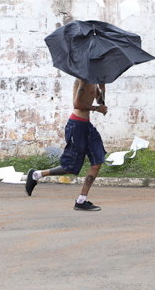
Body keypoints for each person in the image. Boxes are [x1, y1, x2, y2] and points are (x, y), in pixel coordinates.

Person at [25, 78, 107, 211]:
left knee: (97, 161)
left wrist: (102, 88)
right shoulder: (83, 79)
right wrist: (97, 108)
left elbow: (100, 101)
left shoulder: (94, 81)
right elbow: (77, 104)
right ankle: (36, 174)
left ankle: (81, 200)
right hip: (76, 126)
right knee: (70, 166)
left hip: (87, 126)